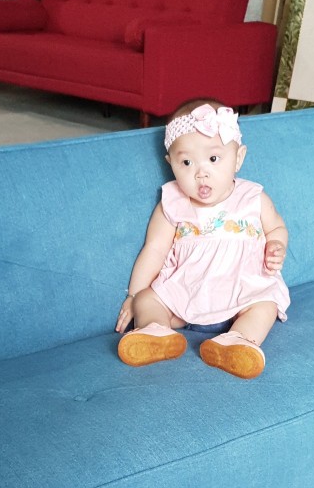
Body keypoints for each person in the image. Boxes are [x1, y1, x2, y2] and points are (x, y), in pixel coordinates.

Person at [115, 99, 290, 380]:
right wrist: (134, 296)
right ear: (171, 164)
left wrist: (276, 245)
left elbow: (277, 228)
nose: (201, 173)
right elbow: (154, 249)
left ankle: (238, 340)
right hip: (186, 294)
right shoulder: (172, 202)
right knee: (149, 298)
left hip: (241, 294)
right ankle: (155, 331)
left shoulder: (252, 197)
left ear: (238, 158)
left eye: (213, 159)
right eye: (186, 162)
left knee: (266, 304)